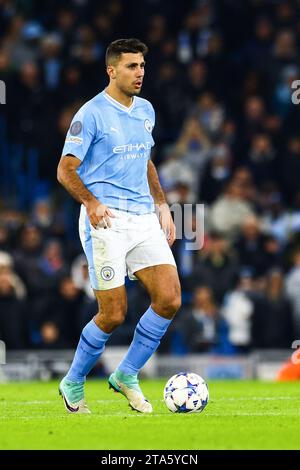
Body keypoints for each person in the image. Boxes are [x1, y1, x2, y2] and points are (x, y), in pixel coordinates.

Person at [57, 38, 181, 413]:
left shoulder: (146, 109)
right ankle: (73, 381)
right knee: (113, 314)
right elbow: (65, 170)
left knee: (170, 299)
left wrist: (161, 204)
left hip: (143, 216)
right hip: (106, 220)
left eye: (142, 65)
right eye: (131, 66)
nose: (140, 72)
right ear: (112, 70)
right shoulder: (91, 113)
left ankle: (126, 374)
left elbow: (145, 160)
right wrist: (91, 202)